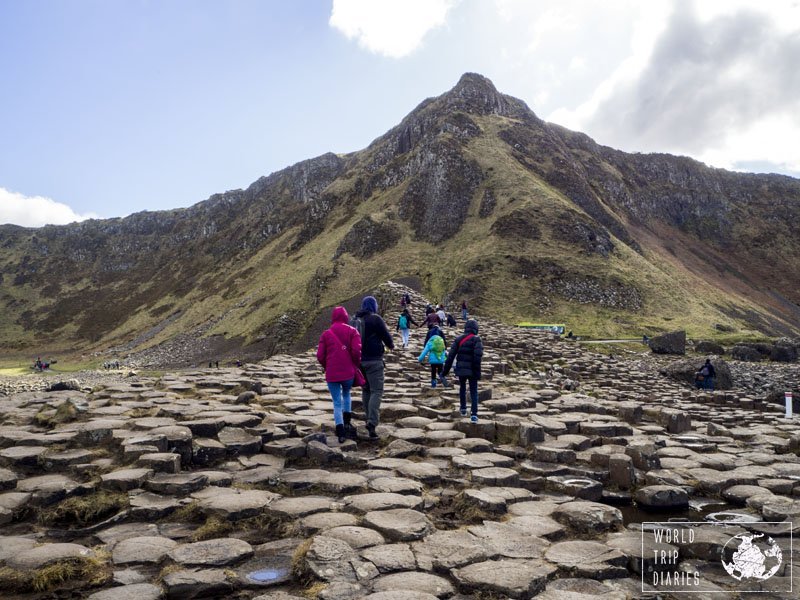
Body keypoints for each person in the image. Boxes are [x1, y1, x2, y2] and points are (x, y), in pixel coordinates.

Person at [317, 306, 362, 443]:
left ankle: (340, 430)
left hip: (332, 374)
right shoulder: (352, 331)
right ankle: (347, 422)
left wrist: (327, 366)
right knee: (347, 394)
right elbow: (356, 351)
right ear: (346, 317)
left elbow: (320, 356)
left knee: (336, 402)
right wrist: (354, 363)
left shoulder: (326, 333)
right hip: (348, 372)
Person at [352, 296, 394, 439]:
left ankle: (368, 417)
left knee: (366, 390)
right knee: (377, 391)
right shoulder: (375, 319)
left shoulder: (355, 320)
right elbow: (386, 337)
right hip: (374, 361)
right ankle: (372, 423)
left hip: (359, 361)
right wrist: (391, 346)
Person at [442, 319, 483, 422]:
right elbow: (478, 357)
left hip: (461, 369)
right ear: (476, 329)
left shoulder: (459, 339)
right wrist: (477, 372)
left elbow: (450, 356)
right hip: (473, 370)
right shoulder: (477, 339)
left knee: (462, 388)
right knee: (473, 391)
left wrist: (445, 372)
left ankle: (463, 409)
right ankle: (474, 414)